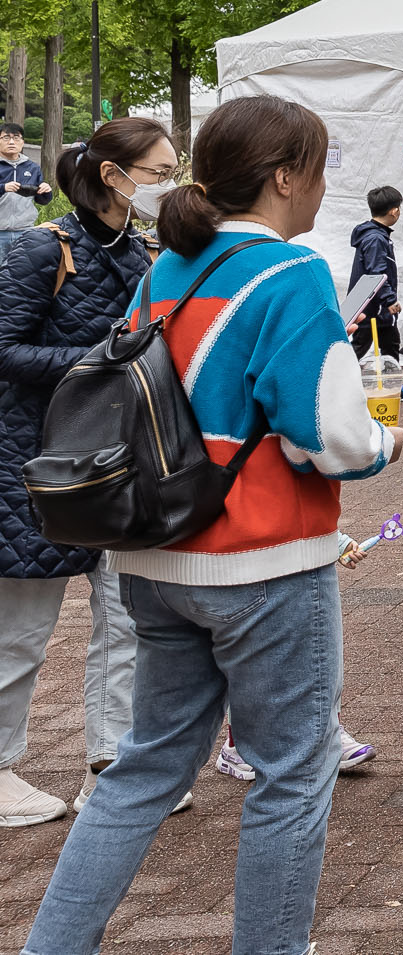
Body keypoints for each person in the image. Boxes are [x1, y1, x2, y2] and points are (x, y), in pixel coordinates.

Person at [25, 97, 403, 955]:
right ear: (283, 177)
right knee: (292, 777)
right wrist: (384, 441)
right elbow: (327, 435)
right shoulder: (293, 272)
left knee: (144, 769)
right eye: (317, 168)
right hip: (265, 559)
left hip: (155, 553)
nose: (320, 187)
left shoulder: (169, 268)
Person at [0, 118, 172, 825]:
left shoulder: (141, 249)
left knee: (125, 617)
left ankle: (113, 762)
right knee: (20, 629)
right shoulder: (41, 248)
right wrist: (98, 354)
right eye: (159, 171)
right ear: (113, 174)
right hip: (34, 464)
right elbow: (5, 349)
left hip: (115, 462)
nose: (169, 184)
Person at [347, 186, 403, 362]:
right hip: (373, 305)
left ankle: (394, 387)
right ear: (394, 211)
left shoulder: (373, 235)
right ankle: (332, 383)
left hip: (368, 302)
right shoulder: (376, 238)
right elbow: (376, 272)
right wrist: (389, 299)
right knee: (361, 346)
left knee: (388, 344)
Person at [0, 121, 52, 260]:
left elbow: (42, 201)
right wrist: (3, 188)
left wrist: (46, 191)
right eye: (6, 138)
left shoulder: (32, 168)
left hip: (25, 231)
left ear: (22, 142)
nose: (11, 142)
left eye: (16, 138)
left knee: (22, 275)